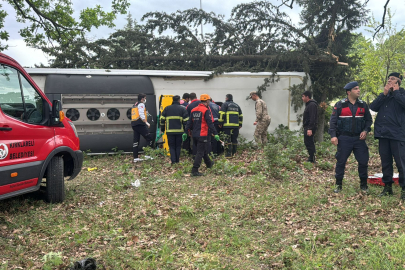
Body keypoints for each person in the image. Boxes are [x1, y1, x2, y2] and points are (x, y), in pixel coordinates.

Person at [329, 82, 372, 193]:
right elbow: (333, 122)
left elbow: (368, 120)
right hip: (344, 138)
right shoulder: (340, 104)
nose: (358, 90)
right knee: (341, 161)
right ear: (349, 92)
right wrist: (333, 136)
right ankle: (338, 185)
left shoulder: (363, 105)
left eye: (358, 88)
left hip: (359, 139)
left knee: (363, 162)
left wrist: (366, 130)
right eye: (355, 89)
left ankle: (363, 185)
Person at [370, 72, 405, 199]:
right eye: (389, 79)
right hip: (383, 134)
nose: (389, 81)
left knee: (401, 163)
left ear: (398, 82)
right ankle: (388, 187)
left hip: (397, 135)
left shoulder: (402, 94)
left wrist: (396, 93)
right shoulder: (384, 96)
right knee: (386, 162)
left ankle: (404, 189)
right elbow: (373, 107)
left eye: (393, 79)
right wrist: (384, 94)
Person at [184, 94, 220, 176]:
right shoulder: (205, 110)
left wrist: (186, 132)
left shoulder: (193, 110)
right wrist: (215, 133)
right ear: (207, 101)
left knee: (203, 151)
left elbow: (189, 122)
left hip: (195, 135)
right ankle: (194, 170)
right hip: (203, 134)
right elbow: (210, 123)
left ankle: (209, 164)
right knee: (200, 152)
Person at [160, 95, 189, 164]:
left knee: (172, 146)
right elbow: (186, 121)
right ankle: (177, 161)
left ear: (172, 100)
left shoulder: (167, 108)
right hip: (179, 131)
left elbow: (162, 119)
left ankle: (173, 161)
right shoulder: (182, 109)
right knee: (178, 146)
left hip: (170, 132)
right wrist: (186, 131)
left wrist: (163, 128)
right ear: (179, 100)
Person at [131, 93, 153, 162]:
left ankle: (135, 157)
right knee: (149, 138)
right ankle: (147, 155)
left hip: (134, 124)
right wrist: (146, 122)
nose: (145, 99)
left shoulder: (135, 104)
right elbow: (141, 114)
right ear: (142, 99)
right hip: (140, 124)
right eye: (145, 98)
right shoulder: (141, 104)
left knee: (136, 141)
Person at [302, 91, 318, 163]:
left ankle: (312, 158)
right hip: (308, 127)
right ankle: (311, 157)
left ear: (307, 97)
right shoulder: (309, 104)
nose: (302, 98)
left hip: (309, 127)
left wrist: (310, 128)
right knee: (308, 142)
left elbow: (312, 117)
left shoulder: (311, 105)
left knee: (309, 142)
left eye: (303, 96)